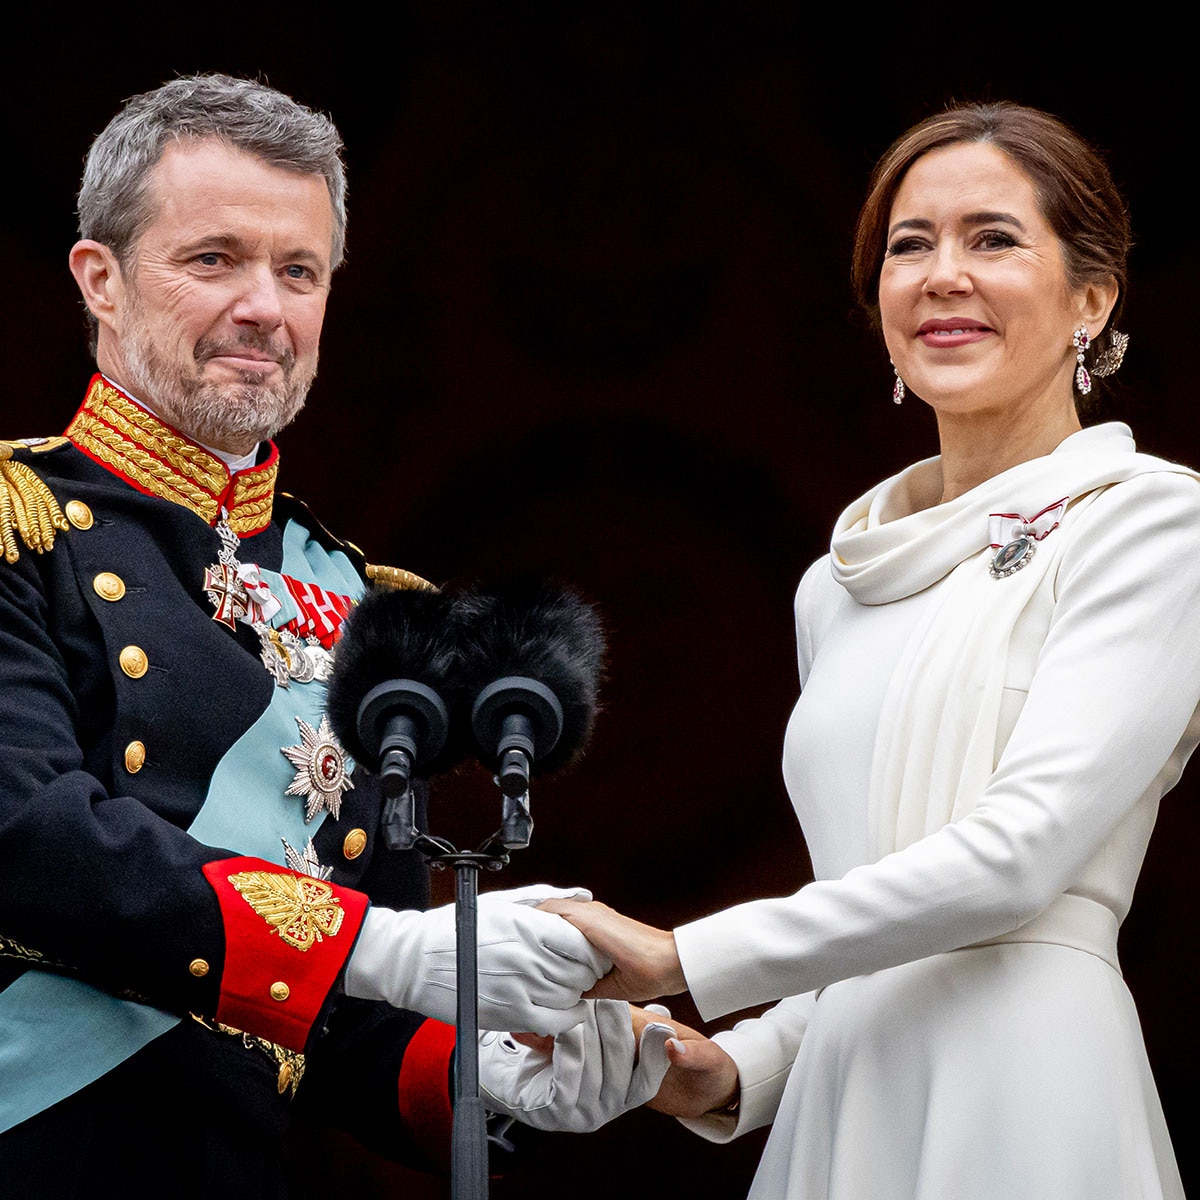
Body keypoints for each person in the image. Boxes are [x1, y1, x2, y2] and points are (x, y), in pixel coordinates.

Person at [0, 74, 670, 1198]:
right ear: (100, 281)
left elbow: (347, 1022)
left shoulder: (365, 607)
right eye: (215, 259)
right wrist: (390, 952)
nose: (266, 306)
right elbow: (23, 833)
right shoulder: (20, 527)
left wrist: (488, 1068)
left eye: (299, 270)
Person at [545, 102, 1199, 1199]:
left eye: (993, 238)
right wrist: (734, 1068)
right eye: (910, 245)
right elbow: (879, 907)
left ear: (1092, 297)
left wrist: (681, 958)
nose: (944, 274)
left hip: (1029, 1089)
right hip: (844, 1105)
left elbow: (1015, 862)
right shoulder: (837, 583)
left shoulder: (1150, 523)